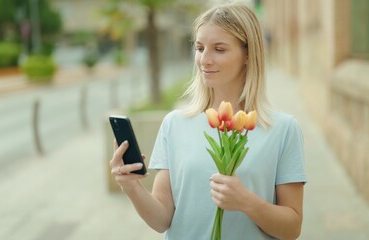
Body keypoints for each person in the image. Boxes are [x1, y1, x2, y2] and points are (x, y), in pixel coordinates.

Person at [109, 2, 306, 239]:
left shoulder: (282, 129)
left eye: (219, 49)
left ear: (248, 55)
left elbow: (292, 228)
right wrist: (130, 186)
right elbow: (162, 220)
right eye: (200, 48)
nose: (205, 60)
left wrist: (247, 202)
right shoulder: (174, 124)